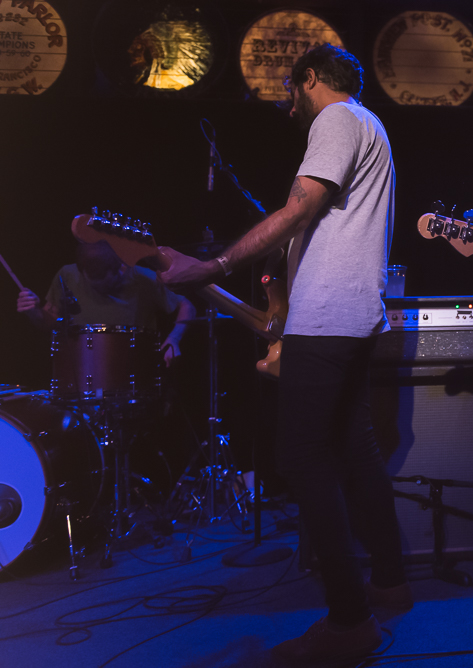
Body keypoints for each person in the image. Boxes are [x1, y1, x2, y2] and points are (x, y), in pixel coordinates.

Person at [157, 45, 408, 664]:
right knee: (354, 447)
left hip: (328, 318)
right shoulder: (368, 126)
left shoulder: (336, 119)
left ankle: (351, 621)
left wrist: (214, 264)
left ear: (311, 80)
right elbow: (314, 227)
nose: (287, 104)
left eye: (290, 91)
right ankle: (390, 583)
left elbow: (300, 208)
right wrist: (274, 280)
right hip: (351, 314)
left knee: (301, 457)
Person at [17, 239, 194, 367]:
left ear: (119, 268)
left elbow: (187, 306)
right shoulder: (67, 276)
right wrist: (32, 310)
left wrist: (174, 339)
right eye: (93, 284)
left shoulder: (143, 277)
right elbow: (48, 322)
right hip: (79, 376)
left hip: (134, 374)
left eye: (106, 284)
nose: (99, 291)